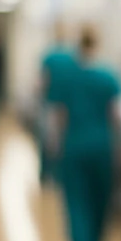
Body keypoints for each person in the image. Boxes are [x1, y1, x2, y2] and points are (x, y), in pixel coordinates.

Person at [50, 25, 121, 241]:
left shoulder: (67, 78)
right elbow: (116, 115)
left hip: (74, 145)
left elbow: (60, 116)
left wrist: (56, 145)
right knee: (100, 199)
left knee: (76, 200)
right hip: (102, 145)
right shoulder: (107, 76)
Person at [39, 23, 78, 185]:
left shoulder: (49, 56)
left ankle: (45, 174)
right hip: (67, 105)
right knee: (62, 141)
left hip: (51, 103)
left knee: (48, 140)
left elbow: (43, 81)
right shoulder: (74, 56)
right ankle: (59, 176)